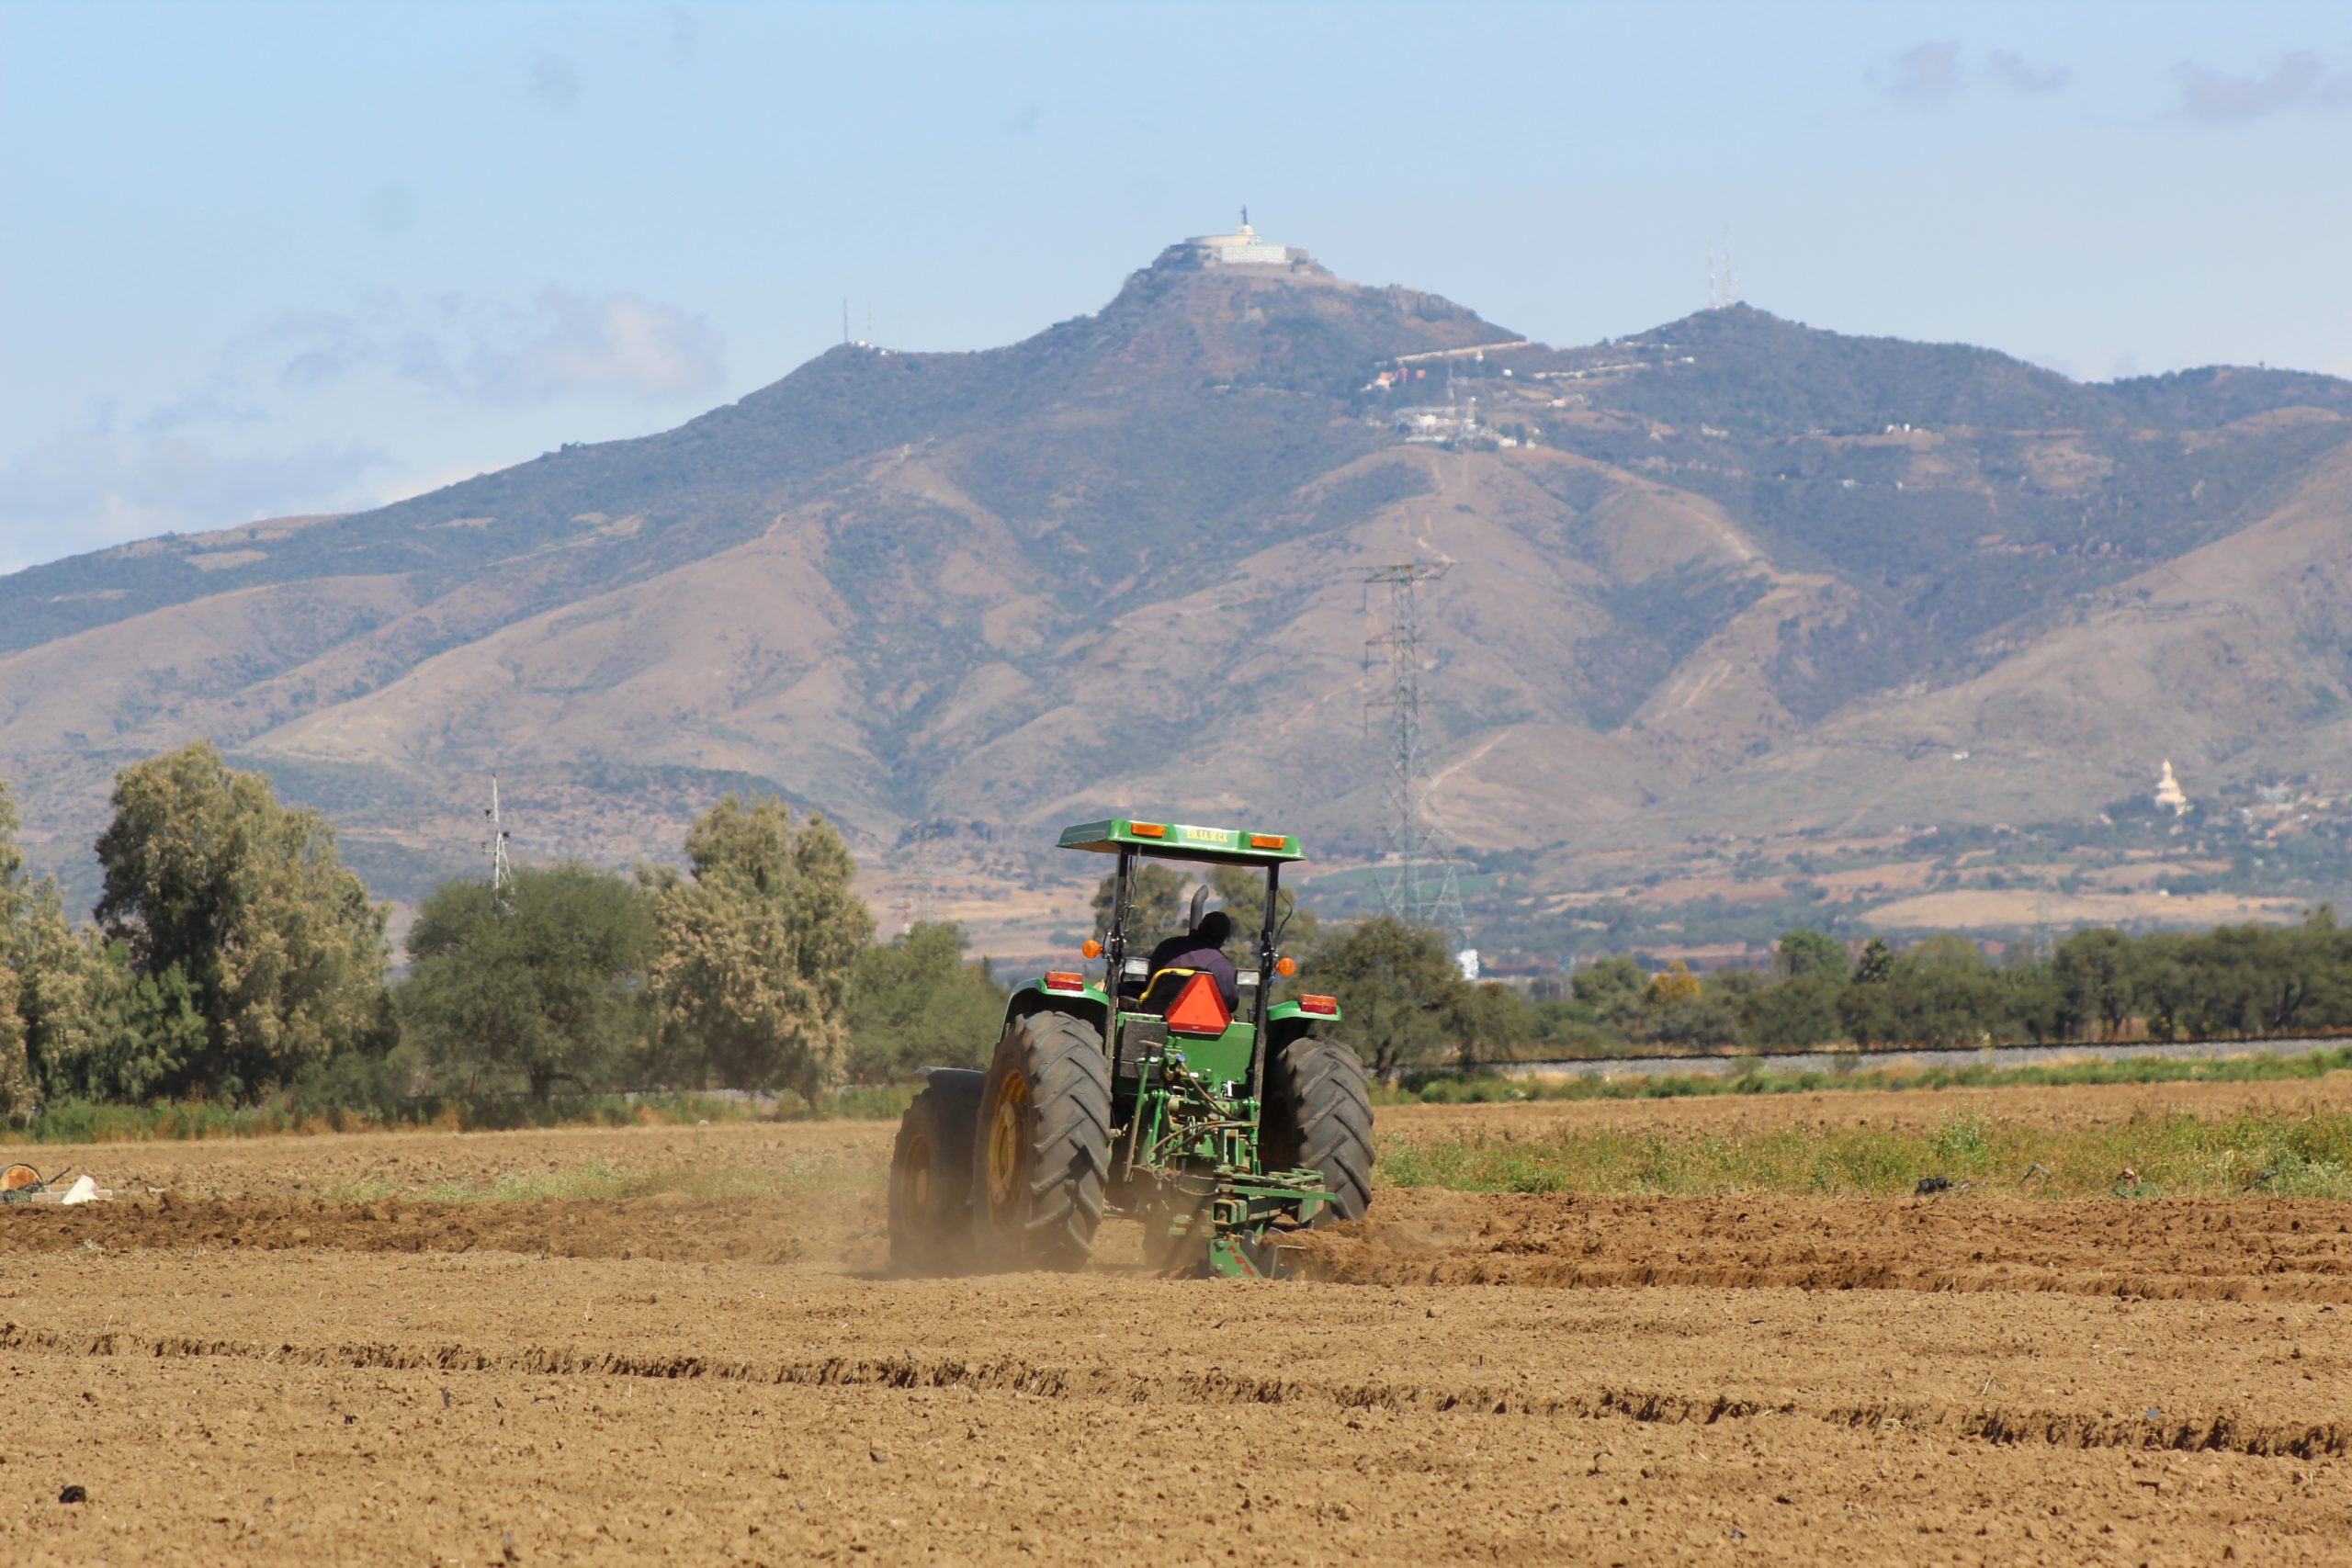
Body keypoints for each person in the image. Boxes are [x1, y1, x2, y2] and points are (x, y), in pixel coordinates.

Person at [1144, 908, 1239, 1009]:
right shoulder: (1221, 964)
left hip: (1156, 1010)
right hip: (1199, 1018)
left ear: (1199, 927)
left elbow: (1149, 976)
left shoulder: (1167, 946)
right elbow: (1231, 1003)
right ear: (1222, 940)